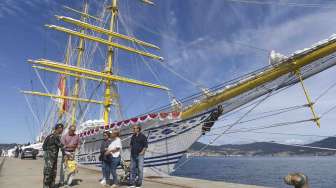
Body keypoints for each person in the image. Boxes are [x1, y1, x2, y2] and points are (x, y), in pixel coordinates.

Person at [42, 123, 66, 188]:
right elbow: (61, 146)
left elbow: (43, 147)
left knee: (51, 172)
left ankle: (49, 186)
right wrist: (65, 154)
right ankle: (47, 186)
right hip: (51, 158)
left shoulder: (49, 136)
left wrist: (48, 152)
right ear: (58, 129)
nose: (62, 130)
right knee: (49, 173)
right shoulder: (55, 136)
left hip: (50, 157)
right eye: (62, 129)